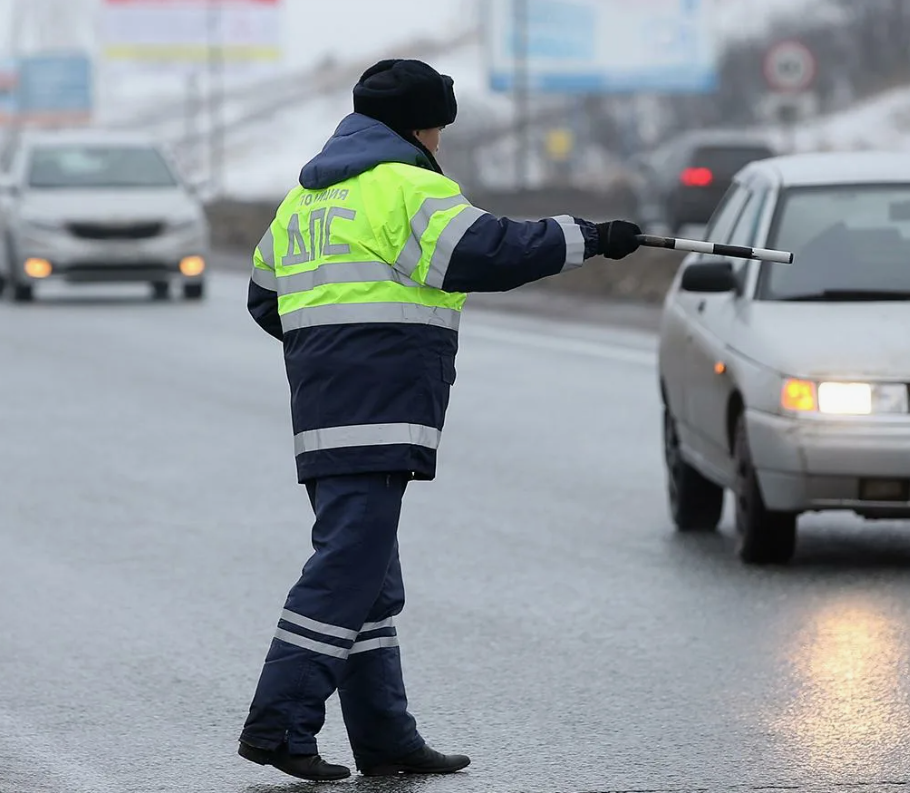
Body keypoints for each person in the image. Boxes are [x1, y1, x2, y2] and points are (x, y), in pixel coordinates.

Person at [237, 58, 643, 782]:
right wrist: (590, 235)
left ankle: (387, 738)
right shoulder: (408, 185)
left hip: (324, 407)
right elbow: (485, 250)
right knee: (345, 570)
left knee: (368, 577)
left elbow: (266, 298)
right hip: (381, 403)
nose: (440, 140)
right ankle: (279, 721)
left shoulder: (305, 199)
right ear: (422, 126)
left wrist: (326, 348)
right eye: (438, 127)